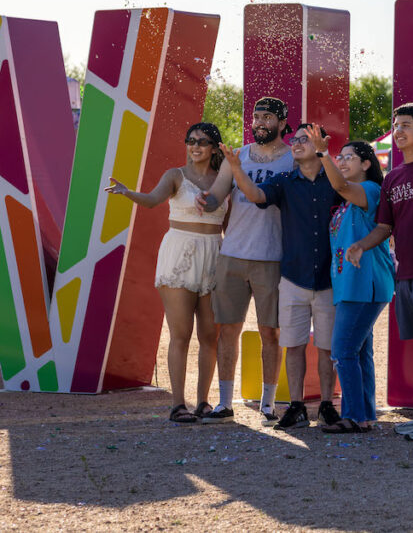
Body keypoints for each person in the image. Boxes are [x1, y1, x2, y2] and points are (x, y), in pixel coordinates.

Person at [220, 123, 342, 430]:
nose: (296, 144)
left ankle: (327, 404)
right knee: (294, 343)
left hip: (329, 278)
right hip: (292, 277)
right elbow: (257, 194)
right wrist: (236, 169)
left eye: (305, 139)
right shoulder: (285, 180)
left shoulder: (337, 181)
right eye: (295, 139)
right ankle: (297, 406)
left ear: (320, 143)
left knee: (327, 347)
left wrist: (325, 154)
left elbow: (347, 189)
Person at [104, 122, 227, 424]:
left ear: (214, 148)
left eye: (203, 141)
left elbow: (232, 224)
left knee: (211, 334)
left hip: (214, 254)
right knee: (181, 334)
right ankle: (177, 404)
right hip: (179, 254)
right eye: (191, 140)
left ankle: (204, 402)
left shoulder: (225, 179)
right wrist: (127, 192)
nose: (195, 146)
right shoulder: (175, 176)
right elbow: (151, 200)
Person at [346, 103, 413, 441]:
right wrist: (361, 244)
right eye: (396, 125)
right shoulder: (392, 177)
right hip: (404, 271)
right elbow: (384, 226)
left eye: (406, 124)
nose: (398, 131)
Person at [196, 97, 294, 425]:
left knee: (271, 334)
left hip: (273, 258)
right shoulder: (237, 156)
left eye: (267, 117)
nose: (260, 122)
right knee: (228, 330)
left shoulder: (293, 159)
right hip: (232, 254)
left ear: (282, 123)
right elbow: (218, 196)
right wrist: (205, 200)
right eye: (256, 117)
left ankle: (267, 404)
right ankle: (224, 403)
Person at [305, 126, 394, 433]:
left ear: (367, 164)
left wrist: (322, 153)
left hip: (364, 285)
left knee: (342, 350)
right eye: (339, 157)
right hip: (350, 286)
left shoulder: (369, 190)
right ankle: (364, 415)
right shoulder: (346, 203)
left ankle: (354, 416)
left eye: (349, 157)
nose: (342, 161)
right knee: (358, 352)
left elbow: (341, 185)